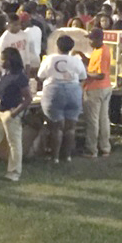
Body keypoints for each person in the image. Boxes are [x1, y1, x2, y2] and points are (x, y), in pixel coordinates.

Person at [0, 47, 32, 182]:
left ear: (10, 61)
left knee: (14, 143)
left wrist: (15, 113)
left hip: (11, 111)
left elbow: (28, 98)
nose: (1, 61)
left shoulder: (20, 77)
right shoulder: (4, 74)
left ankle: (14, 172)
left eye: (3, 59)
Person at [37, 35, 87, 163]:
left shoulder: (50, 59)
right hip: (73, 90)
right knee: (70, 127)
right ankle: (68, 155)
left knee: (56, 127)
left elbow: (40, 75)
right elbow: (83, 76)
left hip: (54, 91)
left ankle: (55, 157)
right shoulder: (76, 60)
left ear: (57, 46)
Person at [77, 28, 112, 158]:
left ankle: (91, 150)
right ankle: (105, 148)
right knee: (103, 120)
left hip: (96, 88)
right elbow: (93, 64)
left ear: (98, 39)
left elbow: (100, 75)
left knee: (93, 121)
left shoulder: (102, 52)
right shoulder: (100, 50)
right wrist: (83, 57)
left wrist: (85, 74)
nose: (90, 42)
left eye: (91, 39)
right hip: (105, 87)